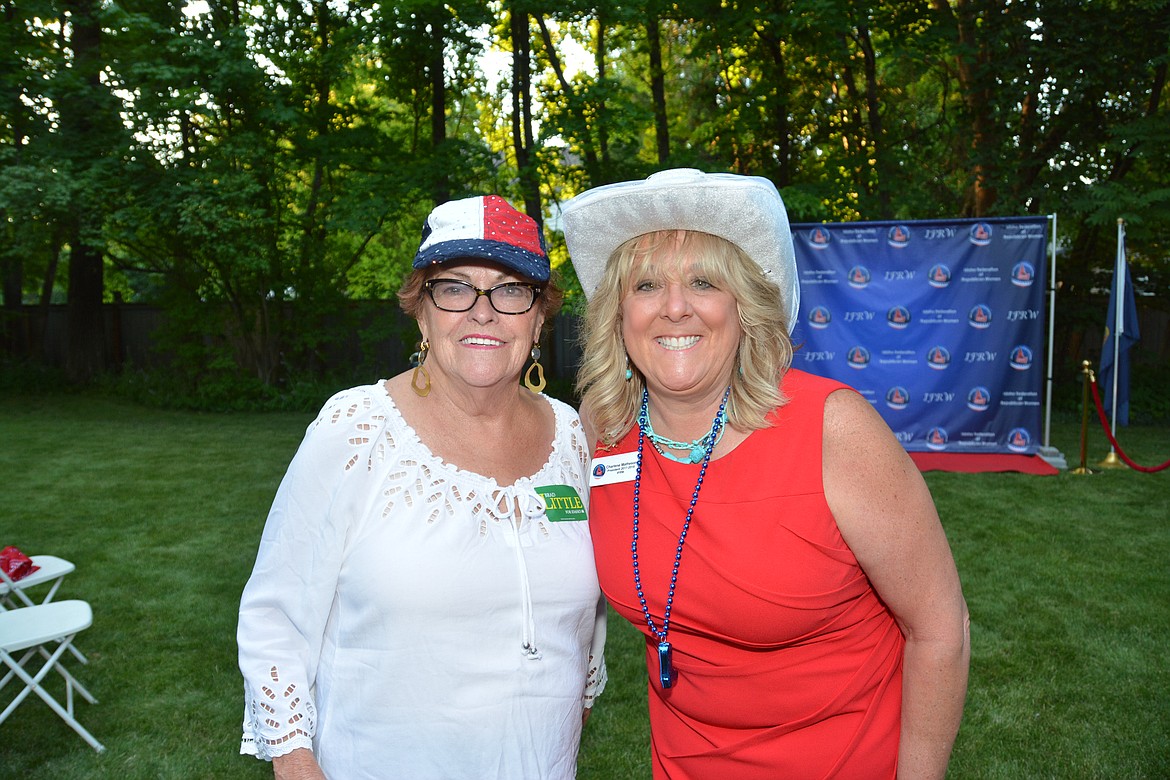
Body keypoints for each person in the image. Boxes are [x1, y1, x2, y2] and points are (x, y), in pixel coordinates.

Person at [562, 168, 969, 779]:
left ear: (744, 308)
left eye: (703, 281)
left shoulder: (834, 430)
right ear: (619, 316)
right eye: (647, 285)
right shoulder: (598, 432)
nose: (675, 307)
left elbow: (941, 627)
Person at [238, 194, 607, 780]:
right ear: (421, 310)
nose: (482, 312)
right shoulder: (356, 428)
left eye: (510, 289)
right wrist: (295, 760)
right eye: (455, 287)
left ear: (540, 317)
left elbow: (585, 622)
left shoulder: (573, 438)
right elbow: (275, 615)